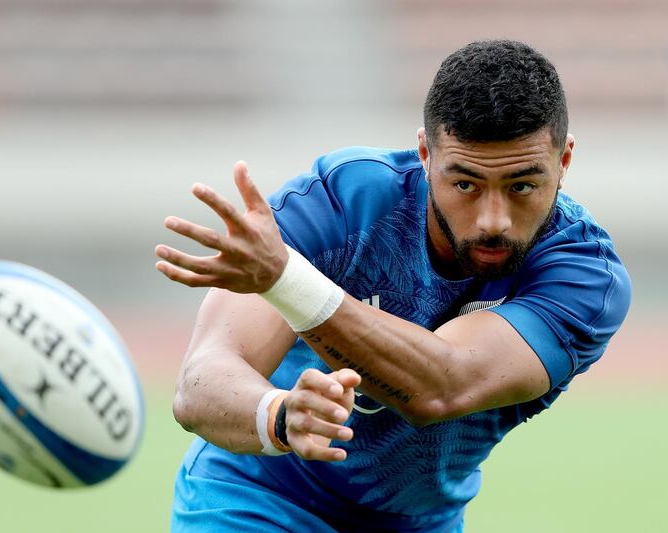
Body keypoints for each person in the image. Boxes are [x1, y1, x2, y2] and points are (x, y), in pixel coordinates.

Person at [155, 40, 631, 533]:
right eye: (465, 184)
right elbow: (200, 384)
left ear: (564, 160)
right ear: (426, 154)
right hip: (258, 498)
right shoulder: (343, 202)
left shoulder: (584, 276)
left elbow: (441, 387)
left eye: (522, 186)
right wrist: (277, 415)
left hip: (418, 522)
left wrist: (287, 280)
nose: (494, 220)